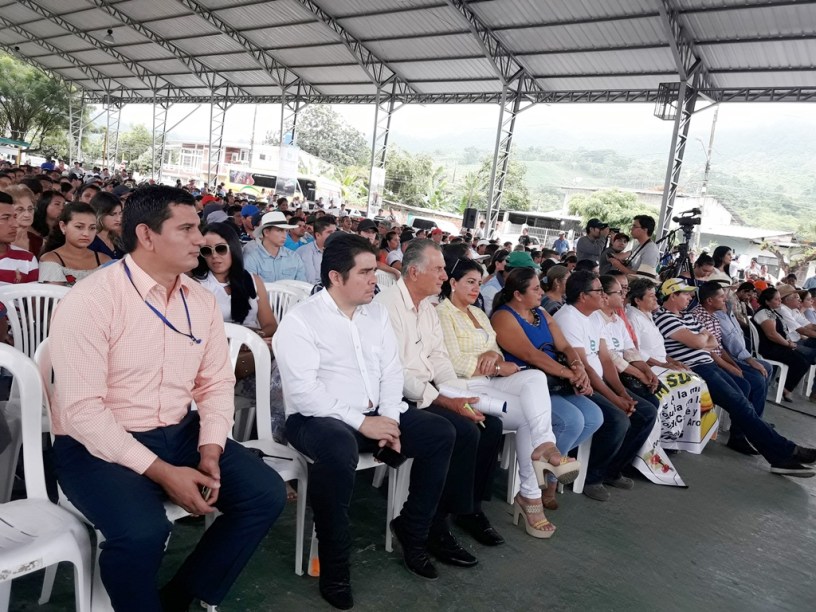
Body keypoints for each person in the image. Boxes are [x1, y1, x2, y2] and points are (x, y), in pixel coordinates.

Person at [48, 185, 285, 612]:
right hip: (95, 444)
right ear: (147, 235)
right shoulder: (92, 301)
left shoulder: (199, 301)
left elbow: (214, 383)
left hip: (177, 429)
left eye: (198, 227)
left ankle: (181, 596)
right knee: (143, 532)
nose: (201, 239)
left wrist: (210, 449)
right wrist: (162, 472)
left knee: (264, 494)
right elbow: (82, 411)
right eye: (187, 229)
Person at [275, 234, 457, 608]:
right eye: (365, 272)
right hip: (316, 418)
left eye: (375, 270)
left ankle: (412, 529)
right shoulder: (301, 321)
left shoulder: (375, 314)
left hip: (373, 414)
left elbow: (391, 372)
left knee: (440, 432)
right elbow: (305, 393)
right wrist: (363, 423)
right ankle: (334, 565)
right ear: (335, 277)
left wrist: (388, 419)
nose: (376, 279)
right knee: (338, 448)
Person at [376, 239, 505, 568]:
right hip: (395, 395)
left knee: (488, 425)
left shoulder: (428, 307)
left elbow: (439, 358)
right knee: (460, 431)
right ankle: (428, 524)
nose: (445, 276)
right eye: (438, 269)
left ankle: (465, 510)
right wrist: (444, 400)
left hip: (426, 390)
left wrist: (458, 395)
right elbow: (396, 373)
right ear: (414, 272)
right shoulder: (387, 307)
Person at [437, 258, 578, 539]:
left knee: (535, 378)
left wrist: (494, 356)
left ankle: (545, 445)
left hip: (489, 381)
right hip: (463, 387)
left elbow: (496, 348)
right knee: (528, 414)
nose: (476, 288)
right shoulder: (443, 313)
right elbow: (455, 362)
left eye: (479, 283)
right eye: (469, 282)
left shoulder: (478, 313)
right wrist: (497, 366)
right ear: (452, 283)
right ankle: (530, 496)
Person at [655, 278, 816, 476]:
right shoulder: (665, 318)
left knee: (743, 405)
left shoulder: (686, 316)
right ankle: (785, 453)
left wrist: (701, 340)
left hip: (709, 365)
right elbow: (699, 342)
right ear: (672, 296)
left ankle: (783, 452)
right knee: (741, 405)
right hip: (697, 369)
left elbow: (712, 341)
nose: (690, 297)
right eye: (686, 294)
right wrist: (701, 340)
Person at [491, 267, 602, 510]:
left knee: (595, 416)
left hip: (555, 381)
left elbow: (565, 346)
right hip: (528, 386)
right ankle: (546, 481)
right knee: (571, 420)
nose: (542, 292)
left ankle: (547, 469)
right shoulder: (503, 317)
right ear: (518, 294)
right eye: (535, 289)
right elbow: (531, 355)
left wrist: (578, 367)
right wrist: (570, 374)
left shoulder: (540, 313)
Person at [554, 271, 658, 501]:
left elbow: (605, 359)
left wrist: (622, 393)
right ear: (583, 296)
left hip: (600, 381)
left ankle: (612, 469)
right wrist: (615, 399)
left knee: (646, 412)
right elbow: (586, 368)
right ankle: (592, 476)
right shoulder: (569, 318)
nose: (603, 295)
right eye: (599, 291)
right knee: (618, 419)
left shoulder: (594, 317)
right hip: (581, 385)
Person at [625, 278, 711, 450]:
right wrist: (663, 365)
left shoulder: (648, 315)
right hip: (647, 367)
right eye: (651, 296)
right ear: (638, 300)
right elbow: (637, 351)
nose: (656, 299)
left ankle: (677, 437)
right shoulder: (633, 317)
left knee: (696, 381)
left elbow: (659, 348)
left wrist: (672, 361)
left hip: (661, 364)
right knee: (683, 386)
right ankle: (663, 439)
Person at [690, 281, 772, 454]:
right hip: (708, 363)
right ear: (709, 301)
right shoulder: (698, 316)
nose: (725, 299)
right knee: (752, 382)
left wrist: (734, 366)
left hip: (721, 359)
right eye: (721, 296)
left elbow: (719, 347)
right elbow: (708, 351)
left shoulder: (714, 316)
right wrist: (730, 367)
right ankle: (741, 434)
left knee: (757, 377)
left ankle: (752, 425)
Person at [753, 287, 813, 401]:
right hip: (770, 348)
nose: (780, 301)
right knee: (801, 361)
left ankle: (785, 386)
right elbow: (772, 334)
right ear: (767, 301)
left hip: (778, 346)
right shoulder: (764, 313)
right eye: (776, 299)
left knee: (804, 359)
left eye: (780, 298)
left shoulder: (772, 311)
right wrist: (788, 344)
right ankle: (786, 388)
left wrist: (788, 342)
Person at [39, 202, 111, 285]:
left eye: (92, 228)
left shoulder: (105, 261)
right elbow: (53, 292)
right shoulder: (51, 260)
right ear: (63, 226)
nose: (86, 233)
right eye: (79, 227)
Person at [244, 210, 307, 282]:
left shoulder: (294, 257)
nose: (285, 235)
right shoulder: (252, 259)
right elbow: (250, 286)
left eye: (286, 231)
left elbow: (301, 285)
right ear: (266, 232)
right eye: (280, 230)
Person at [0, 191, 38, 285]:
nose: (15, 224)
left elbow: (30, 293)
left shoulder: (27, 259)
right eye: (5, 218)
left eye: (14, 217)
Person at [296, 214, 336, 285]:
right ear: (318, 235)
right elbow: (310, 282)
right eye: (329, 232)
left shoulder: (335, 251)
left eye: (334, 232)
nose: (334, 236)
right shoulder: (306, 252)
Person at [4, 184, 43, 256]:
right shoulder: (2, 240)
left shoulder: (39, 242)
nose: (27, 214)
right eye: (20, 209)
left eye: (30, 209)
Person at [88, 190, 124, 259]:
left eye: (120, 213)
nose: (118, 219)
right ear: (99, 214)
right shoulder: (90, 242)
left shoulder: (117, 237)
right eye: (113, 214)